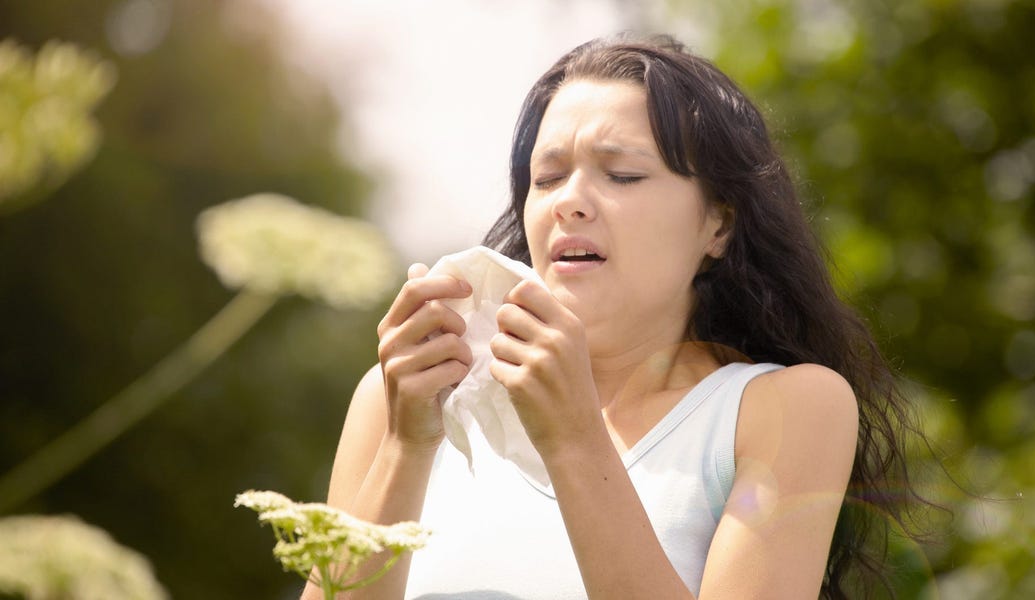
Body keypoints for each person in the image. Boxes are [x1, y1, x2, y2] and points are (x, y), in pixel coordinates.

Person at [305, 34, 923, 599]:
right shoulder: (401, 400)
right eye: (546, 178)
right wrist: (407, 445)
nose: (570, 201)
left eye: (622, 175)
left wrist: (574, 440)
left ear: (719, 224)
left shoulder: (784, 408)